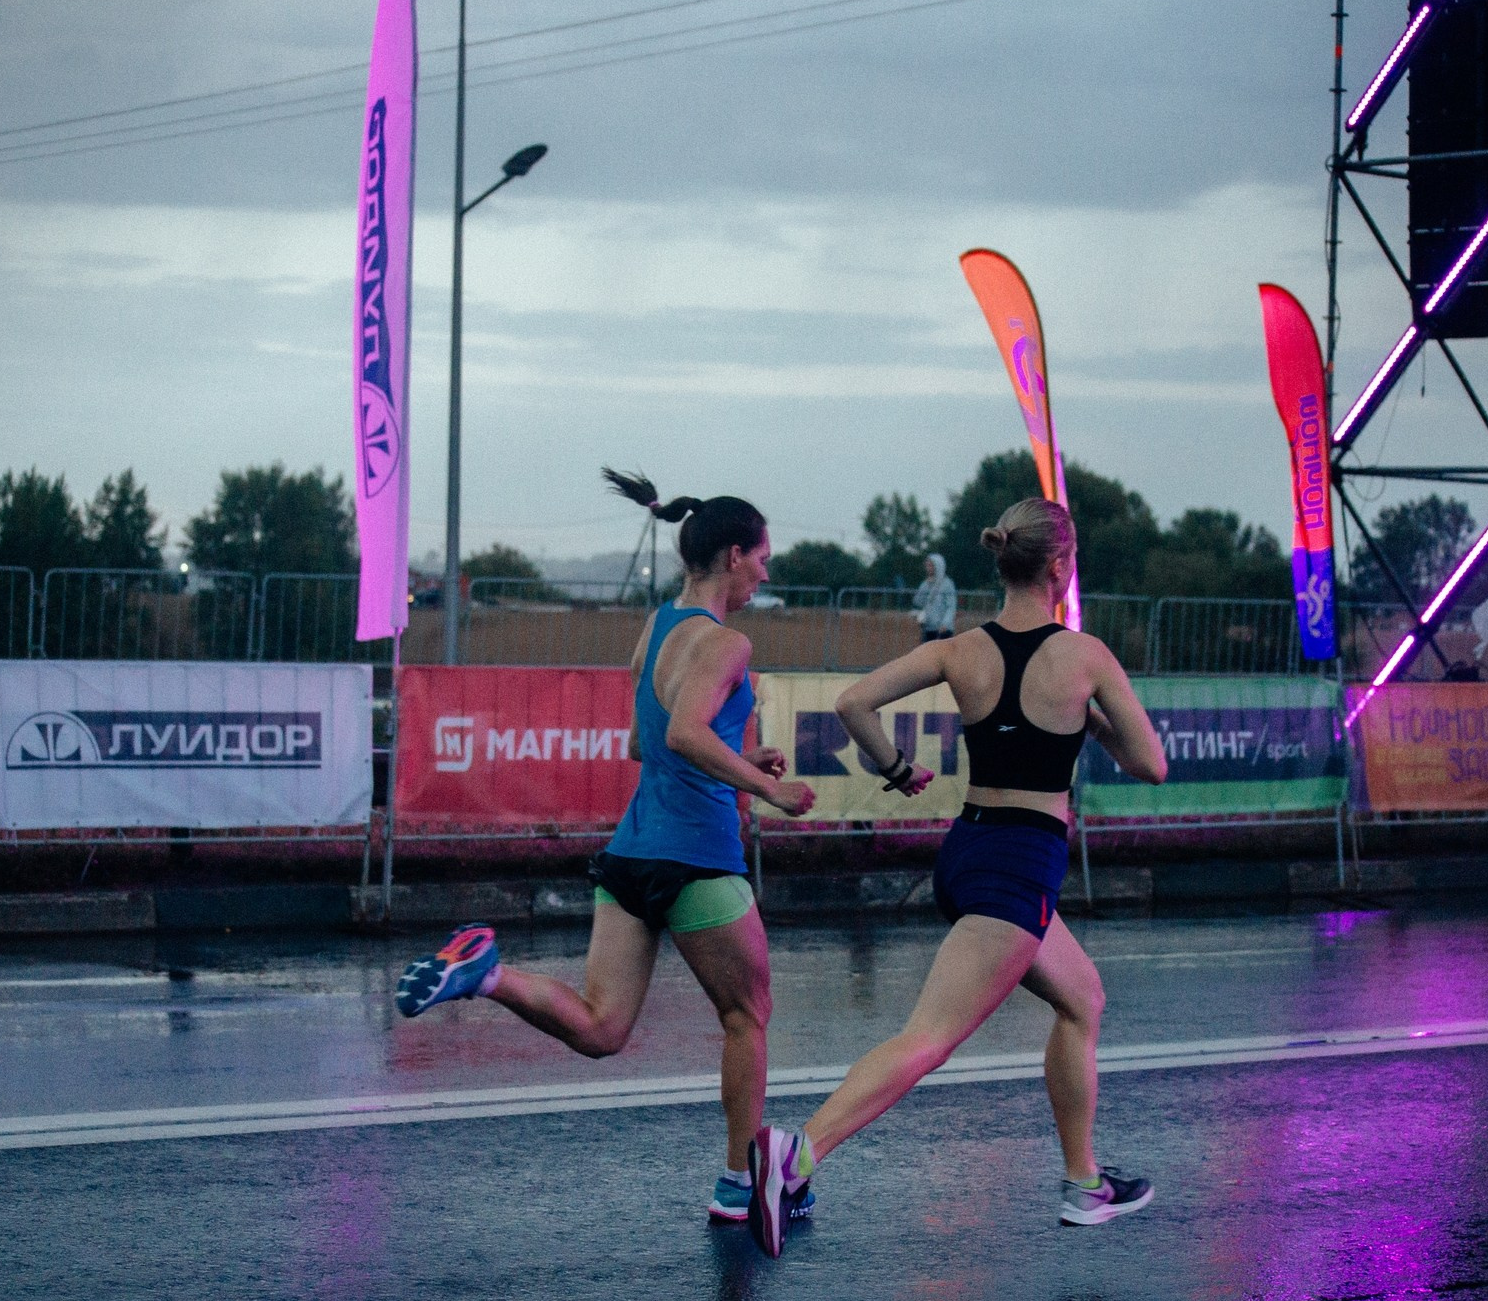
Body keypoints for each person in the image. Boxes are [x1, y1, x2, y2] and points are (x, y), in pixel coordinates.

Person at [741, 497, 1170, 1257]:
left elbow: (852, 701)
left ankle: (1084, 1182)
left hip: (968, 850)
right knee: (928, 1038)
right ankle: (796, 1153)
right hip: (1020, 866)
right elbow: (1151, 763)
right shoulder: (1084, 657)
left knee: (1083, 999)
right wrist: (1088, 717)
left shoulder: (960, 649)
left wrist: (900, 768)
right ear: (1061, 567)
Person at [394, 469, 819, 1226]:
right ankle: (737, 1182)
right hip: (698, 858)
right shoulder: (727, 643)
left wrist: (747, 762)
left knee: (601, 1027)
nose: (766, 571)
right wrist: (766, 789)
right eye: (762, 557)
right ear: (730, 555)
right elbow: (686, 734)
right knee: (747, 1015)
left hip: (630, 854)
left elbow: (640, 740)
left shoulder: (655, 628)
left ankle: (486, 974)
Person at [912, 552, 957, 643]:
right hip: (928, 628)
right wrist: (925, 587)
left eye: (931, 566)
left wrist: (945, 623)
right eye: (927, 565)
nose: (928, 568)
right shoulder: (925, 583)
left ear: (938, 566)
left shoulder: (947, 584)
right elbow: (918, 602)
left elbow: (951, 606)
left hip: (943, 629)